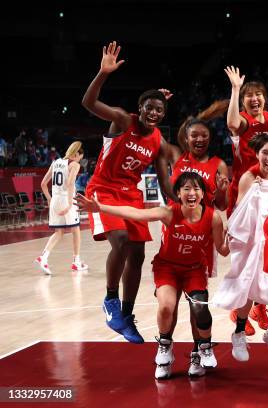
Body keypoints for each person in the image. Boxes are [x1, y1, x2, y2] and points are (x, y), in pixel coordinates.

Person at [77, 172, 229, 379]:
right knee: (166, 306)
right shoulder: (168, 213)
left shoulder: (212, 218)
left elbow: (223, 249)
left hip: (194, 269)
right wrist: (100, 207)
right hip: (167, 268)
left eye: (196, 189)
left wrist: (237, 240)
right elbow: (134, 213)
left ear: (203, 193)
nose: (191, 193)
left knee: (199, 307)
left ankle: (202, 349)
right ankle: (165, 346)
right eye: (186, 189)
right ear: (178, 193)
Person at [81, 41, 175, 343]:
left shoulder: (158, 141)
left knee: (138, 254)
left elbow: (164, 183)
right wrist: (102, 73)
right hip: (103, 190)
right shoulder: (122, 120)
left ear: (163, 114)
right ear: (140, 109)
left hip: (130, 194)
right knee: (120, 240)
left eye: (159, 109)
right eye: (149, 107)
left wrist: (181, 203)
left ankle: (127, 314)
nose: (154, 112)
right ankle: (110, 299)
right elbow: (89, 103)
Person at [155, 101, 232, 352]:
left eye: (204, 136)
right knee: (171, 299)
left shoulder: (218, 164)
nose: (199, 139)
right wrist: (161, 107)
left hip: (202, 237)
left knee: (195, 299)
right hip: (174, 231)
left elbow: (221, 205)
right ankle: (166, 345)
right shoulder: (177, 156)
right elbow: (155, 139)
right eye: (194, 135)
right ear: (186, 138)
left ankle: (199, 347)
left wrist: (222, 190)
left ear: (210, 139)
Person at [224, 66, 268, 333]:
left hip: (267, 188)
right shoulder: (242, 120)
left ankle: (259, 306)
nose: (254, 99)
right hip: (245, 189)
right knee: (246, 253)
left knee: (267, 251)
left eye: (258, 95)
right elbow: (232, 123)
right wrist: (235, 89)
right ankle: (239, 308)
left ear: (264, 99)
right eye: (250, 96)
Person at [230, 133, 268, 363]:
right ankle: (238, 332)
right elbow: (240, 212)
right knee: (250, 288)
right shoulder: (249, 177)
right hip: (254, 239)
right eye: (265, 152)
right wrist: (253, 196)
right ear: (257, 154)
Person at [34, 141, 88, 275]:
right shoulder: (74, 165)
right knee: (75, 230)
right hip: (66, 198)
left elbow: (43, 184)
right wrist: (70, 203)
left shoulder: (55, 162)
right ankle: (76, 262)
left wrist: (49, 199)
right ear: (76, 154)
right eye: (80, 157)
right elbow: (70, 184)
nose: (80, 160)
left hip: (55, 199)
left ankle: (43, 257)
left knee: (59, 232)